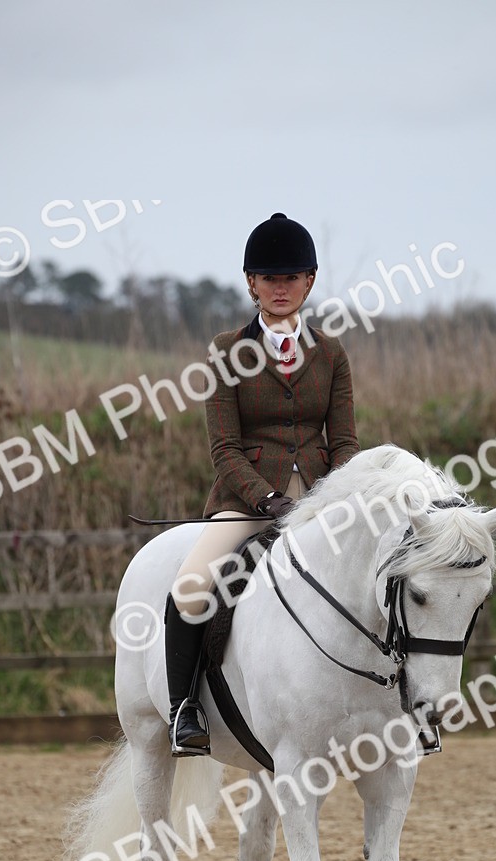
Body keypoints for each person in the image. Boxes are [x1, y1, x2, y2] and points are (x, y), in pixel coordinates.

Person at [165, 212, 361, 755]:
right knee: (191, 585)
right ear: (251, 283)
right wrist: (267, 499)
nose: (281, 287)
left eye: (291, 277)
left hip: (324, 502)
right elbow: (224, 449)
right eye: (270, 278)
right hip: (248, 503)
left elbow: (344, 441)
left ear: (310, 281)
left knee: (391, 576)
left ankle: (409, 706)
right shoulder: (227, 351)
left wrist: (332, 493)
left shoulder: (332, 355)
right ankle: (187, 711)